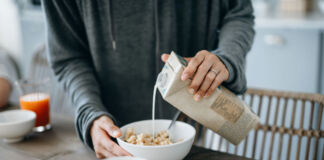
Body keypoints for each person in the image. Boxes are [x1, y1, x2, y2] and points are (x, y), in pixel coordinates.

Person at [42, 0, 255, 158]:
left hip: (190, 126)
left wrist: (227, 57)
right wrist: (89, 113)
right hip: (110, 140)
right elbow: (69, 56)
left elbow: (238, 13)